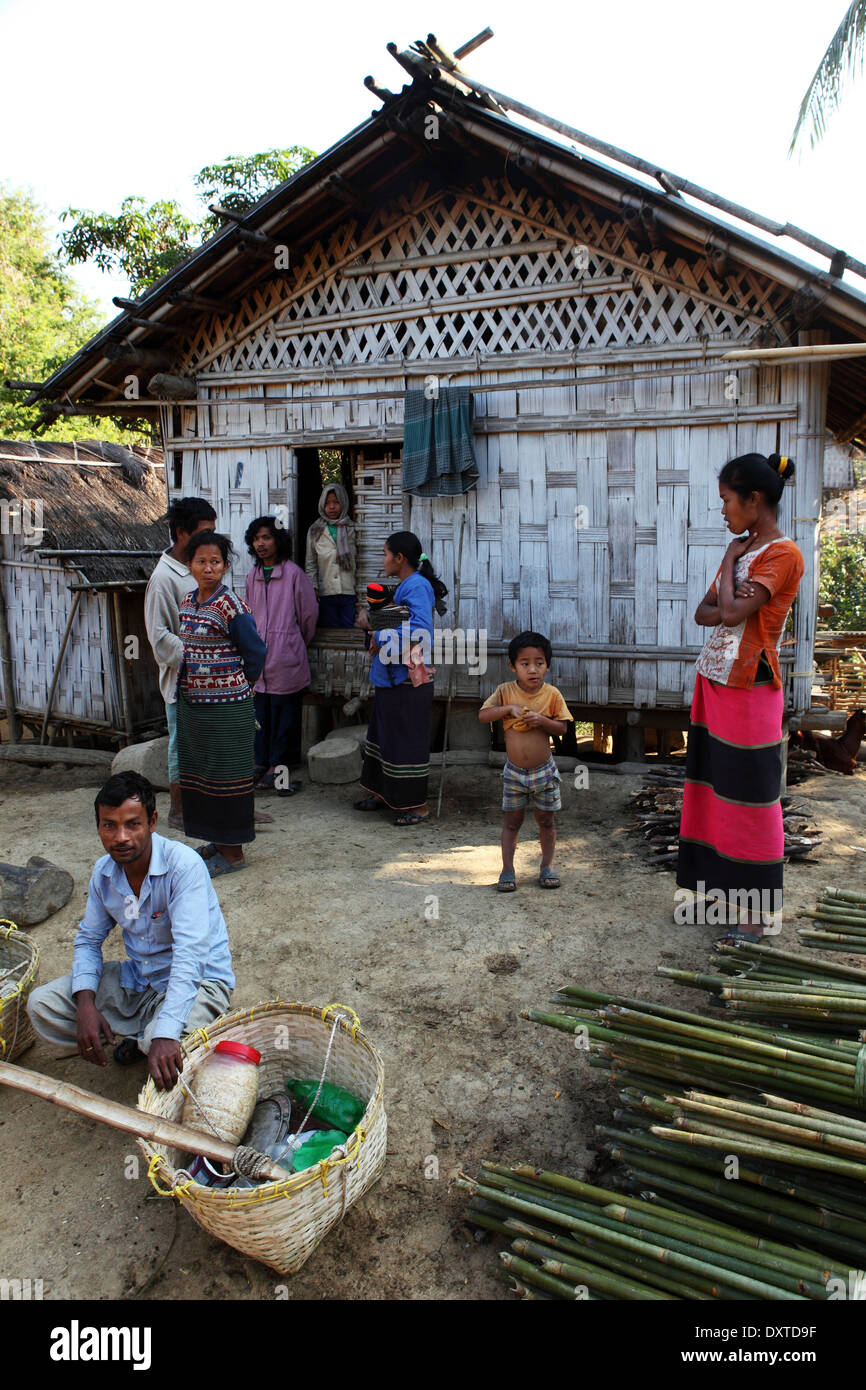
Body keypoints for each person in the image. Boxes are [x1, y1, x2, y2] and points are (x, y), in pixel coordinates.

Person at [27, 772, 235, 1092]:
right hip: (140, 981)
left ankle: (150, 1037)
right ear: (98, 827)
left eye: (132, 824)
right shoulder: (103, 873)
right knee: (42, 1005)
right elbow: (88, 939)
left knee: (164, 1042)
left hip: (199, 982)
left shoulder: (183, 866)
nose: (120, 837)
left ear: (151, 822)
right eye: (109, 825)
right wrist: (85, 1006)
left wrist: (165, 1034)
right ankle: (144, 1036)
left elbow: (191, 954)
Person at [676, 452, 804, 942]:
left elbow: (728, 613)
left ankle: (755, 915)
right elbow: (703, 612)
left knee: (752, 800)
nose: (723, 511)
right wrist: (731, 588)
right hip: (713, 681)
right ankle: (721, 899)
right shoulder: (749, 549)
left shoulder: (781, 554)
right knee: (711, 794)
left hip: (751, 686)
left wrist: (729, 562)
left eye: (727, 501)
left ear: (754, 499)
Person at [177, 531, 266, 877]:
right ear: (190, 565)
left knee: (228, 778)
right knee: (203, 778)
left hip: (228, 711)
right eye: (201, 561)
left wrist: (240, 686)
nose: (208, 567)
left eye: (215, 561)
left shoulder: (231, 606)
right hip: (196, 709)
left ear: (226, 567)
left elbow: (256, 652)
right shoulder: (187, 602)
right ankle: (216, 841)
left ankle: (233, 855)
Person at [354, 531, 447, 825]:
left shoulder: (416, 587)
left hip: (408, 680)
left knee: (405, 742)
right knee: (385, 738)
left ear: (399, 558)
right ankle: (384, 793)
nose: (383, 560)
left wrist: (376, 632)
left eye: (385, 553)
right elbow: (399, 620)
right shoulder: (406, 585)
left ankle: (416, 807)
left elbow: (420, 632)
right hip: (392, 677)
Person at [479, 631, 572, 891]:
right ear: (513, 666)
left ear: (547, 666)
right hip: (514, 773)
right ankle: (507, 870)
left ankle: (546, 866)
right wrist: (508, 709)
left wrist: (542, 721)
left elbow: (562, 728)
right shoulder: (505, 691)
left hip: (544, 772)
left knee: (546, 821)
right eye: (525, 663)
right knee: (512, 822)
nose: (533, 669)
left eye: (539, 663)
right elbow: (484, 715)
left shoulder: (552, 694)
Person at [144, 497, 217, 829]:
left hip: (213, 677)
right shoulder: (163, 579)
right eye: (204, 533)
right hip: (184, 680)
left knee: (215, 742)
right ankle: (178, 810)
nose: (209, 540)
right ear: (181, 533)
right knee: (182, 747)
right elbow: (158, 637)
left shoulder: (202, 566)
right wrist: (197, 651)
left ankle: (223, 804)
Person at [244, 516, 318, 796]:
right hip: (260, 663)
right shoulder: (252, 576)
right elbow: (247, 615)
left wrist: (290, 641)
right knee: (260, 717)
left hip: (287, 661)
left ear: (278, 541)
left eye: (266, 537)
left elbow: (309, 617)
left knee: (285, 719)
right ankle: (261, 764)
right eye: (256, 539)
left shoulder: (294, 574)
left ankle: (280, 772)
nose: (260, 544)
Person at [305, 483, 357, 627]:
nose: (331, 507)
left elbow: (359, 561)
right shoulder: (315, 530)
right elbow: (310, 563)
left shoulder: (352, 528)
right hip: (326, 593)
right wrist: (313, 589)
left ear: (344, 503)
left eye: (336, 502)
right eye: (327, 503)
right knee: (329, 631)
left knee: (348, 632)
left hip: (348, 592)